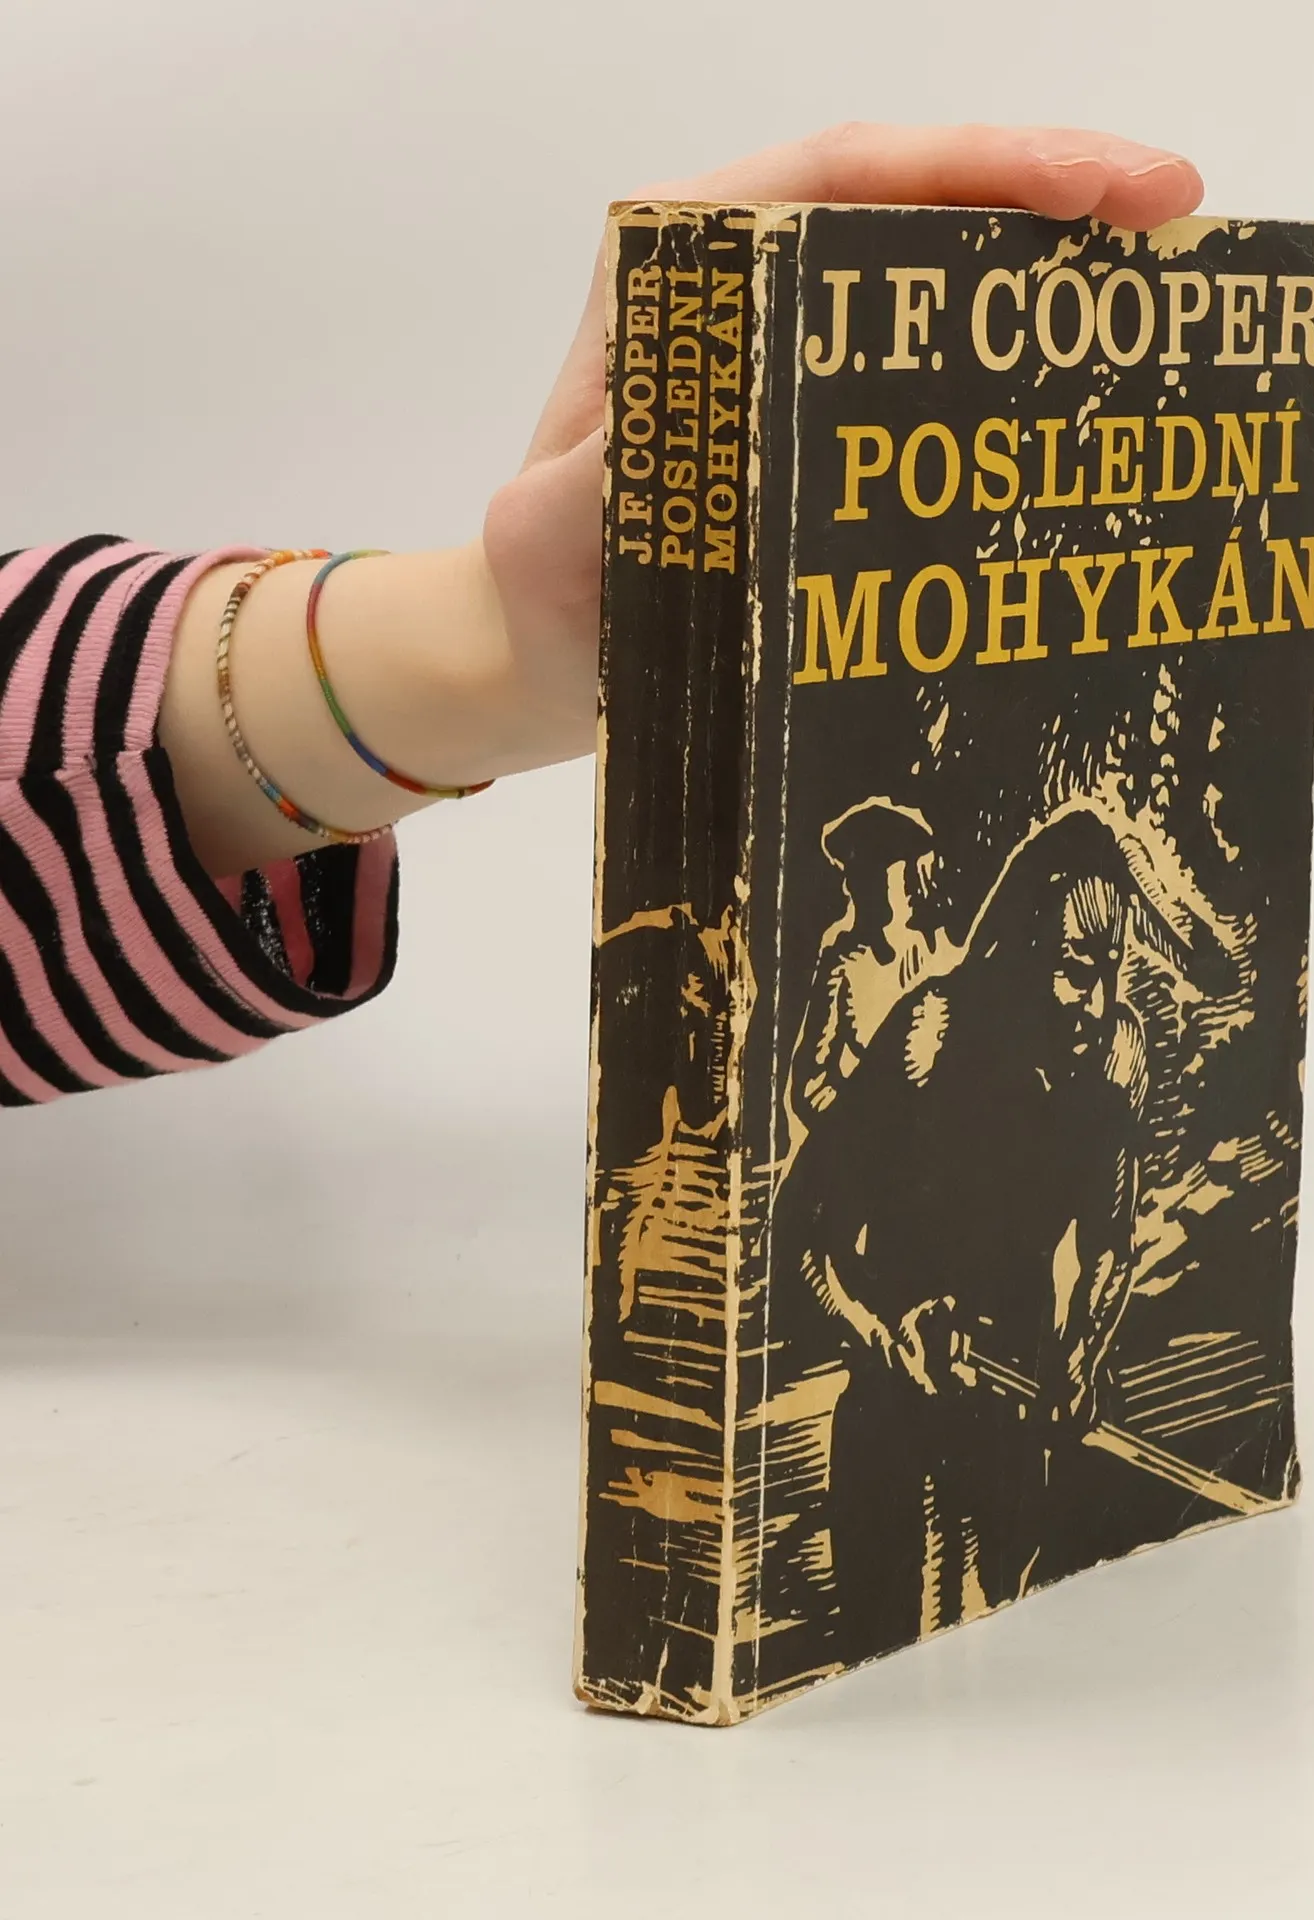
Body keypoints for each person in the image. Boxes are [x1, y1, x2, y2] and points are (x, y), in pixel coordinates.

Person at [0, 126, 1204, 1106]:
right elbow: (814, 1099)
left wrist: (501, 651)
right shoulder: (858, 970)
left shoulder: (950, 957)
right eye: (890, 868)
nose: (903, 884)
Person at [771, 805, 1230, 1658]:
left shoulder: (1118, 1054)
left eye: (1110, 971)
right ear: (1015, 953)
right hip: (893, 1413)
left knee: (1002, 1649)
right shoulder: (931, 1035)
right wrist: (886, 1331)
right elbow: (799, 1230)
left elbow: (1109, 1244)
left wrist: (1080, 1352)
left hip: (1013, 1422)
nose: (1096, 1002)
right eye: (1073, 971)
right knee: (881, 1659)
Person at [785, 797, 955, 1137]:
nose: (851, 888)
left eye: (870, 874)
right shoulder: (843, 962)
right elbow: (808, 1086)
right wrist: (855, 1118)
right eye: (853, 876)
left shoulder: (943, 958)